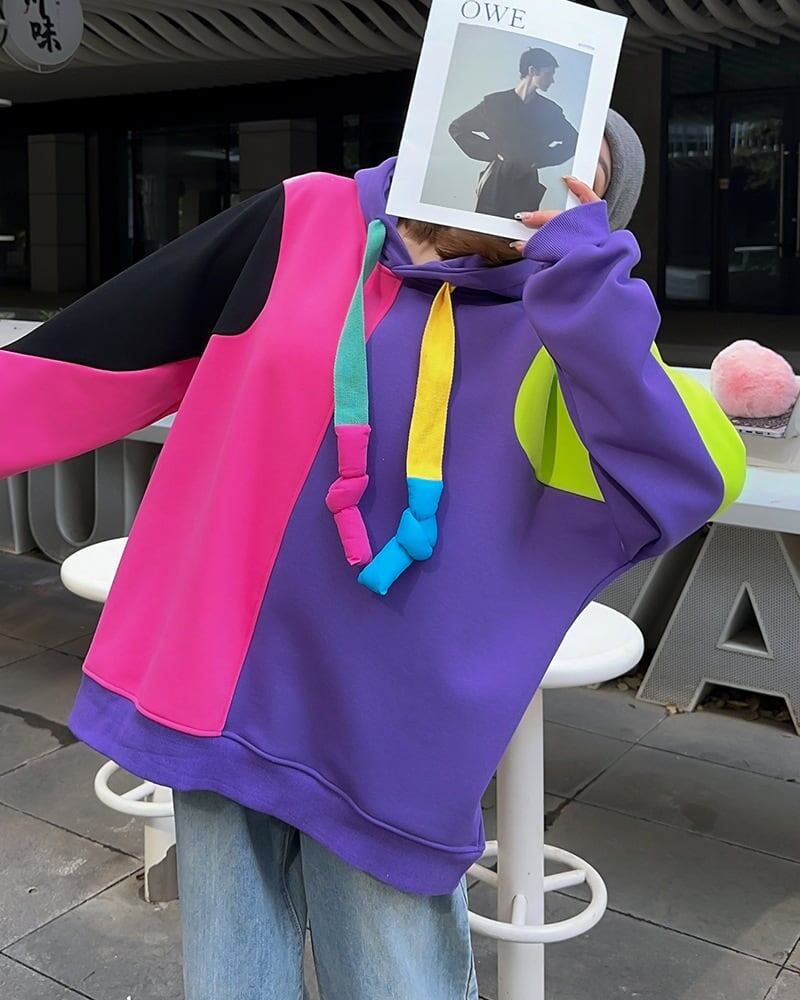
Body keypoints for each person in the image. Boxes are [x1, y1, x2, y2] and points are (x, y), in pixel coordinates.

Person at [0, 109, 746, 999]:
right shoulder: (308, 218)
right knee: (232, 981)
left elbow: (674, 484)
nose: (530, 173)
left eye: (578, 170)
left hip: (392, 737)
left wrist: (587, 292)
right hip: (222, 683)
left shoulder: (573, 331)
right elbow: (101, 354)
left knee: (397, 980)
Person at [449, 46, 579, 218]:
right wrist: (493, 152)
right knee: (484, 225)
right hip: (496, 180)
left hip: (526, 182)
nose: (552, 80)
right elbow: (457, 127)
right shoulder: (495, 104)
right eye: (549, 73)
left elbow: (574, 141)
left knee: (519, 227)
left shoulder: (550, 111)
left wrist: (538, 159)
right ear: (532, 70)